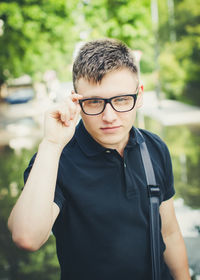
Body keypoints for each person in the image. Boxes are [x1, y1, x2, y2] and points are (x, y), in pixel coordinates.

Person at [8, 38, 191, 280]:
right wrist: (51, 144)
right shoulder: (56, 160)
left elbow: (169, 233)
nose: (109, 116)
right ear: (76, 101)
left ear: (139, 96)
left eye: (122, 99)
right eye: (94, 102)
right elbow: (26, 237)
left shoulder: (154, 147)